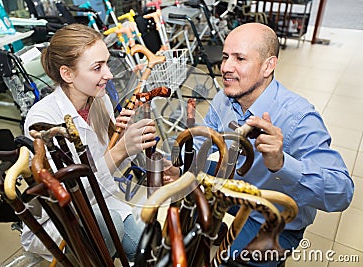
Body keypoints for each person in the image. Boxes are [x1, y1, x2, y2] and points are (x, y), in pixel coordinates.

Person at [165, 22, 354, 266]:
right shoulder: (226, 97)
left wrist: (282, 163)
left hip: (271, 217)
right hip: (237, 189)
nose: (225, 68)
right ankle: (216, 228)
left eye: (240, 58)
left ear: (268, 66)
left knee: (230, 263)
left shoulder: (299, 117)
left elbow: (342, 193)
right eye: (225, 57)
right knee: (180, 224)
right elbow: (205, 139)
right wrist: (178, 163)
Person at [22, 23, 157, 262]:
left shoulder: (99, 99)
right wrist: (120, 151)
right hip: (67, 215)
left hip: (105, 198)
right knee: (110, 226)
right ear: (68, 74)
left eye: (106, 63)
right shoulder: (42, 121)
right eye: (98, 67)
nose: (109, 74)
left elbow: (109, 170)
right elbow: (68, 194)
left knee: (147, 247)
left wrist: (126, 140)